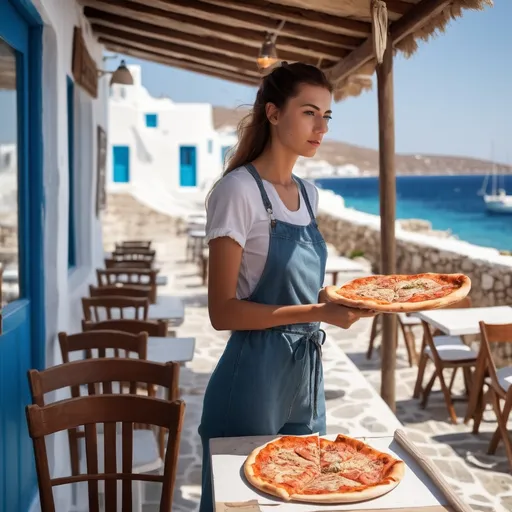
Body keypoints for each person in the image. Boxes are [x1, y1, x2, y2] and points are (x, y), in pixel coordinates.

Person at [198, 62, 374, 512]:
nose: (321, 127)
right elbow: (223, 312)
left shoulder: (309, 194)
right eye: (309, 113)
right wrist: (318, 314)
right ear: (274, 113)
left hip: (306, 376)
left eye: (327, 116)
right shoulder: (237, 192)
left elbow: (299, 292)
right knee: (240, 504)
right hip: (252, 378)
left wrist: (337, 301)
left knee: (309, 499)